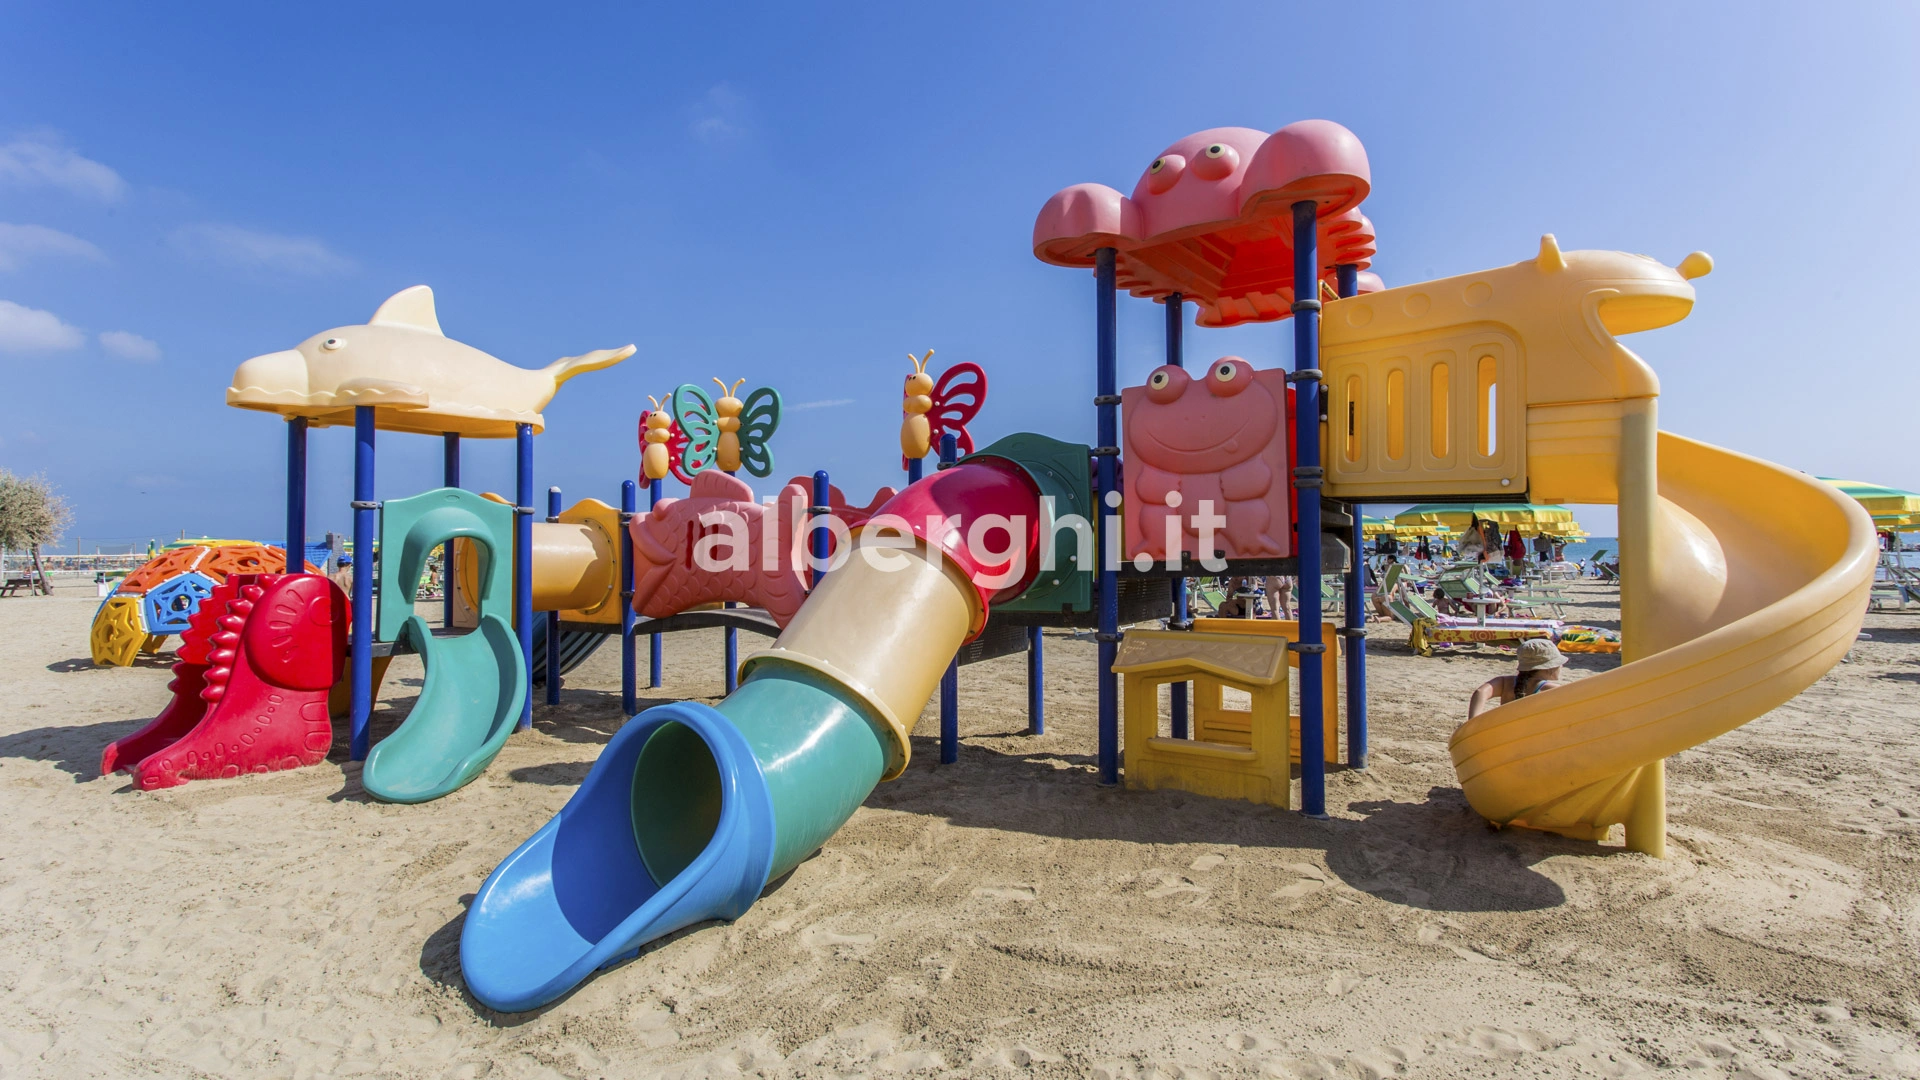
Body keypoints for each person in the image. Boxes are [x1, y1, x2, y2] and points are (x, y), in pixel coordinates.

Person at [1468, 639, 1568, 718]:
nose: (1561, 666)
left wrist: (1473, 722)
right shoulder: (1551, 689)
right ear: (1549, 667)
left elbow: (1480, 692)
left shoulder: (1504, 682)